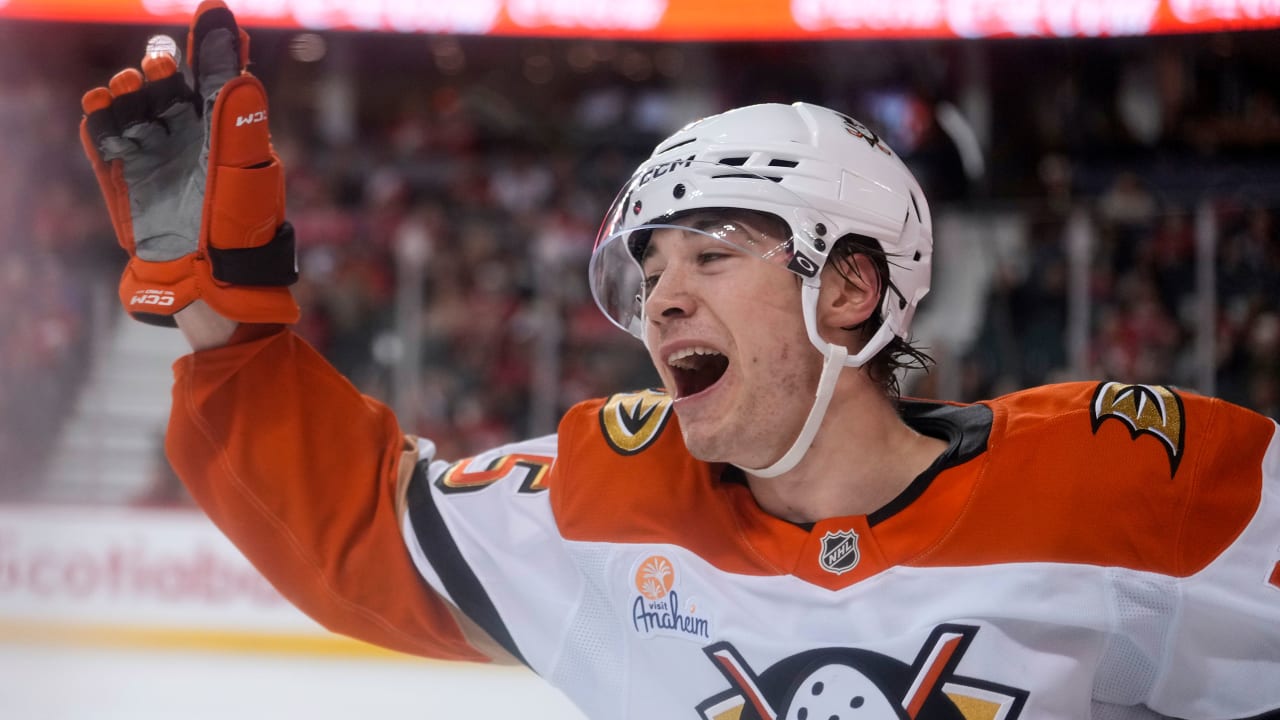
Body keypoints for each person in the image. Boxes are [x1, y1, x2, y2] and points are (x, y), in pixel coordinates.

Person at [79, 3, 1280, 718]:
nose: (660, 300)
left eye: (709, 255)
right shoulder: (612, 502)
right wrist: (226, 317)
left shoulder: (1124, 483)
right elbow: (355, 526)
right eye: (647, 273)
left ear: (849, 287)